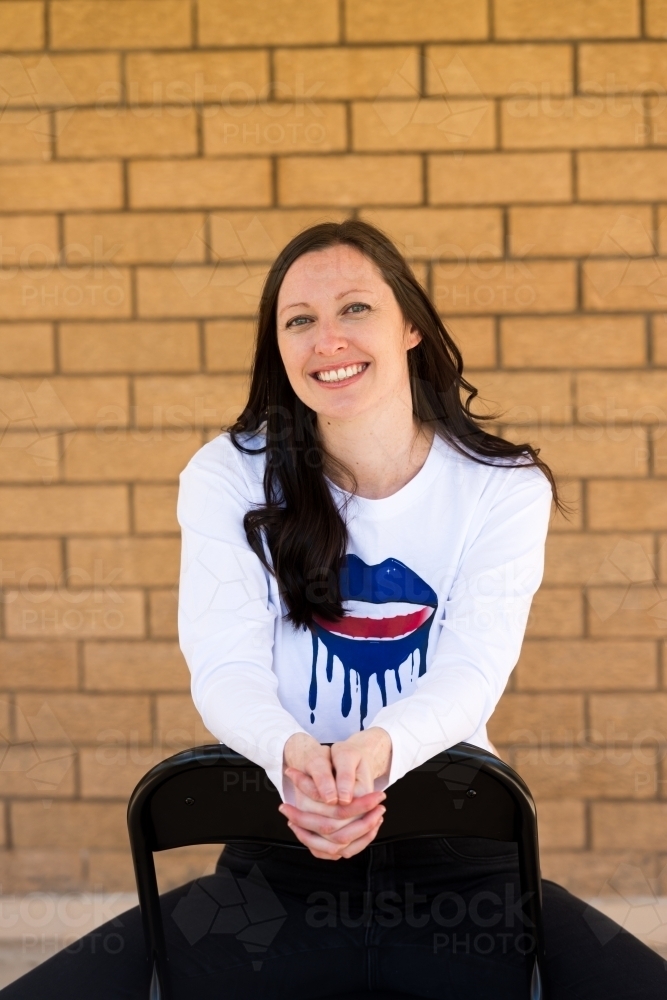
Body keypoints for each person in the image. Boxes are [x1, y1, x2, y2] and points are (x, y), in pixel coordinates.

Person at [2, 221, 664, 999]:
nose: (327, 338)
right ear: (277, 347)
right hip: (278, 850)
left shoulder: (500, 484)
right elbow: (225, 664)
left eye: (354, 308)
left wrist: (377, 751)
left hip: (460, 860)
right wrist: (293, 758)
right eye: (299, 319)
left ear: (410, 325)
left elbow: (473, 669)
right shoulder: (229, 474)